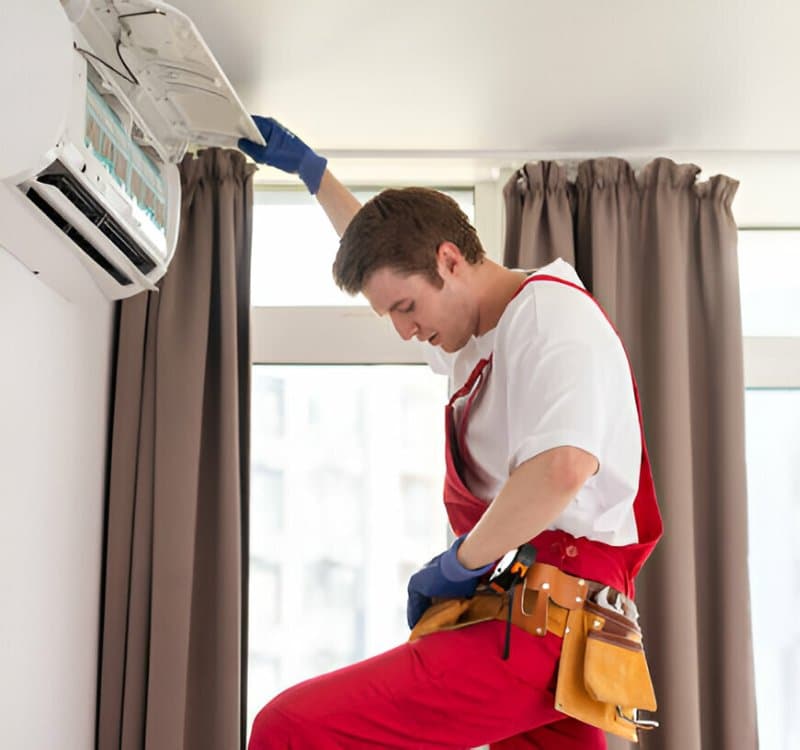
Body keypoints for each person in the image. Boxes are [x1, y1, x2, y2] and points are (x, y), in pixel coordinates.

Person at [238, 117, 663, 750]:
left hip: (545, 622)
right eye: (390, 317)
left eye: (406, 309)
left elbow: (564, 466)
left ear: (451, 261)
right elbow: (391, 250)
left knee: (290, 728)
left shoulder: (549, 315)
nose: (405, 331)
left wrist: (461, 563)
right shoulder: (475, 337)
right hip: (551, 626)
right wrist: (315, 175)